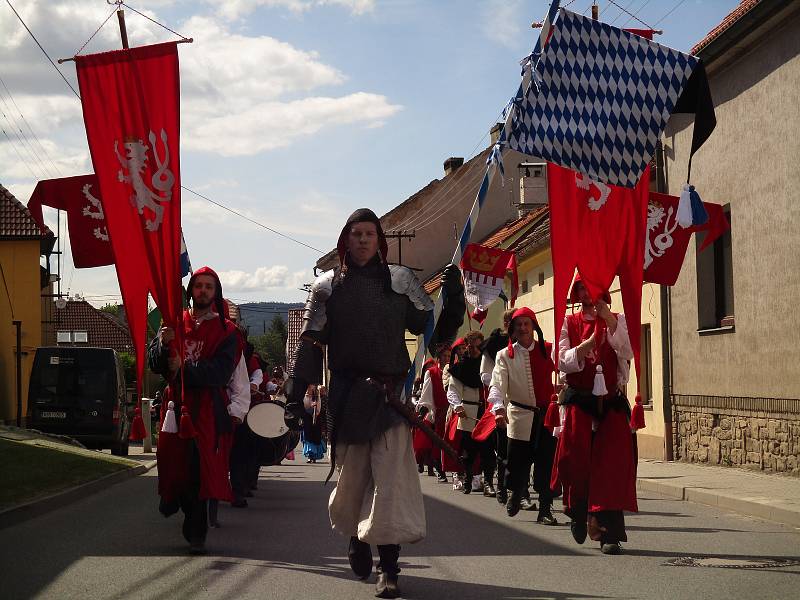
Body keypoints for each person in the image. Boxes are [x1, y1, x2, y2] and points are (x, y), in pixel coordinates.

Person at [283, 208, 464, 599]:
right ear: (345, 240)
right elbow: (312, 345)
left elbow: (430, 333)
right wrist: (294, 399)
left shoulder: (400, 281)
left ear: (378, 240)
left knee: (390, 485)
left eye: (369, 233)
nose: (363, 239)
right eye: (356, 233)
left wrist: (453, 302)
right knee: (353, 484)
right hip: (347, 400)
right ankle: (356, 536)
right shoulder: (327, 288)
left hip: (389, 400)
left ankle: (390, 568)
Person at [147, 266, 241, 554]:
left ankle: (197, 530)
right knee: (175, 462)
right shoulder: (173, 323)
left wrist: (184, 368)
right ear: (191, 290)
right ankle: (176, 501)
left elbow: (220, 371)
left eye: (208, 287)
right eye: (198, 286)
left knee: (200, 469)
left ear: (216, 292)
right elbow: (155, 364)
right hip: (175, 407)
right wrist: (163, 347)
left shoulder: (228, 332)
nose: (202, 291)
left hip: (207, 411)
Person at [551, 275, 638, 555]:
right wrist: (587, 344)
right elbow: (563, 360)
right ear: (576, 291)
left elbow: (627, 351)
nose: (587, 292)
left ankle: (609, 532)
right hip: (581, 401)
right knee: (575, 461)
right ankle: (578, 512)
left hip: (610, 400)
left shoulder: (617, 318)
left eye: (591, 285)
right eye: (581, 286)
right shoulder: (568, 322)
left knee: (611, 466)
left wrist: (609, 322)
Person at [488, 307, 558, 524]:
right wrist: (498, 408)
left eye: (527, 324)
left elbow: (564, 373)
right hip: (519, 415)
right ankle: (517, 493)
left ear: (534, 326)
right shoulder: (504, 355)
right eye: (519, 324)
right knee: (517, 463)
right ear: (513, 329)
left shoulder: (548, 350)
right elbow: (497, 386)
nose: (523, 328)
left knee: (546, 463)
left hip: (546, 416)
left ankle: (545, 509)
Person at [448, 330, 497, 497]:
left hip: (486, 412)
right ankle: (468, 478)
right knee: (469, 451)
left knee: (488, 450)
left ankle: (489, 483)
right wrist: (458, 406)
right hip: (468, 413)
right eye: (472, 345)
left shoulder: (489, 363)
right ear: (467, 346)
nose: (475, 349)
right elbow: (452, 390)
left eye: (478, 346)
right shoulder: (459, 368)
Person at [480, 309, 515, 504]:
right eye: (511, 321)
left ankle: (520, 490)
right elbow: (484, 374)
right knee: (500, 444)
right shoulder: (493, 345)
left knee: (519, 448)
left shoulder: (524, 343)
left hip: (521, 401)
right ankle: (498, 484)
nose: (515, 324)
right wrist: (501, 380)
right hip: (500, 399)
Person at [417, 344, 451, 483]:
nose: (447, 359)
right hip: (438, 411)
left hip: (453, 411)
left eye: (449, 356)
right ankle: (440, 470)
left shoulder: (453, 370)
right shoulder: (431, 372)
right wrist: (426, 409)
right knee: (437, 443)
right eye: (445, 356)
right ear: (439, 357)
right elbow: (427, 392)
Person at [301, 384, 327, 463]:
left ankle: (314, 456)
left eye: (310, 388)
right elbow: (302, 407)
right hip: (306, 419)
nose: (308, 389)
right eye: (308, 387)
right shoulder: (304, 396)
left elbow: (319, 409)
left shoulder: (317, 397)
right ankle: (310, 455)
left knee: (315, 437)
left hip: (315, 419)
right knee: (307, 437)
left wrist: (315, 412)